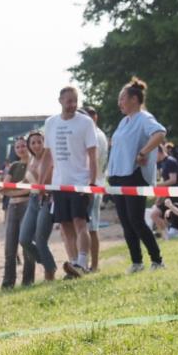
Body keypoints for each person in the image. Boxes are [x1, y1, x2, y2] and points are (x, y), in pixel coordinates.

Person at [106, 77, 167, 273]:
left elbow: (159, 133)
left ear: (134, 99)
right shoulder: (124, 121)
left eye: (122, 98)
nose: (119, 103)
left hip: (134, 175)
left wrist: (143, 152)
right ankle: (136, 262)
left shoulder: (144, 118)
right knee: (126, 222)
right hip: (117, 176)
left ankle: (157, 261)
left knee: (136, 220)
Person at [37, 86, 98, 279]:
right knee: (65, 225)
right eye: (69, 101)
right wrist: (41, 183)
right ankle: (73, 264)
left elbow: (92, 155)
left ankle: (82, 261)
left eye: (75, 100)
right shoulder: (51, 123)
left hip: (79, 182)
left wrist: (92, 183)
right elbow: (47, 155)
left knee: (80, 223)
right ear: (60, 101)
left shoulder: (86, 122)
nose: (72, 105)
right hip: (59, 183)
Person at [20, 130, 57, 282]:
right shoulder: (31, 160)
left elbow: (46, 182)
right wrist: (4, 188)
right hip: (33, 199)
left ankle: (50, 272)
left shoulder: (49, 158)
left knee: (40, 239)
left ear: (44, 142)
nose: (36, 145)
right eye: (32, 142)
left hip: (47, 199)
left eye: (39, 142)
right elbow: (26, 182)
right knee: (24, 239)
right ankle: (47, 262)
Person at [0, 138, 33, 289]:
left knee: (27, 245)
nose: (21, 149)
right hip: (12, 208)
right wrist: (19, 191)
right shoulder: (14, 166)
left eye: (23, 146)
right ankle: (8, 283)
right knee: (10, 247)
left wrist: (15, 191)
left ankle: (27, 281)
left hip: (28, 205)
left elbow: (33, 188)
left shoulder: (34, 164)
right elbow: (5, 188)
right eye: (17, 147)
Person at [82, 107, 109, 272]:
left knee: (91, 228)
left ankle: (94, 265)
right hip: (94, 183)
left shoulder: (96, 136)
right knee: (89, 227)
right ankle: (90, 264)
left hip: (92, 185)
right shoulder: (96, 134)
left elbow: (90, 162)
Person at [149, 145, 178, 238]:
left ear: (158, 152)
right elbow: (165, 182)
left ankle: (168, 235)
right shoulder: (162, 163)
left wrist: (156, 185)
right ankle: (166, 236)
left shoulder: (170, 161)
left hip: (174, 195)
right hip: (167, 194)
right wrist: (159, 197)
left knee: (158, 215)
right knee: (154, 214)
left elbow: (173, 180)